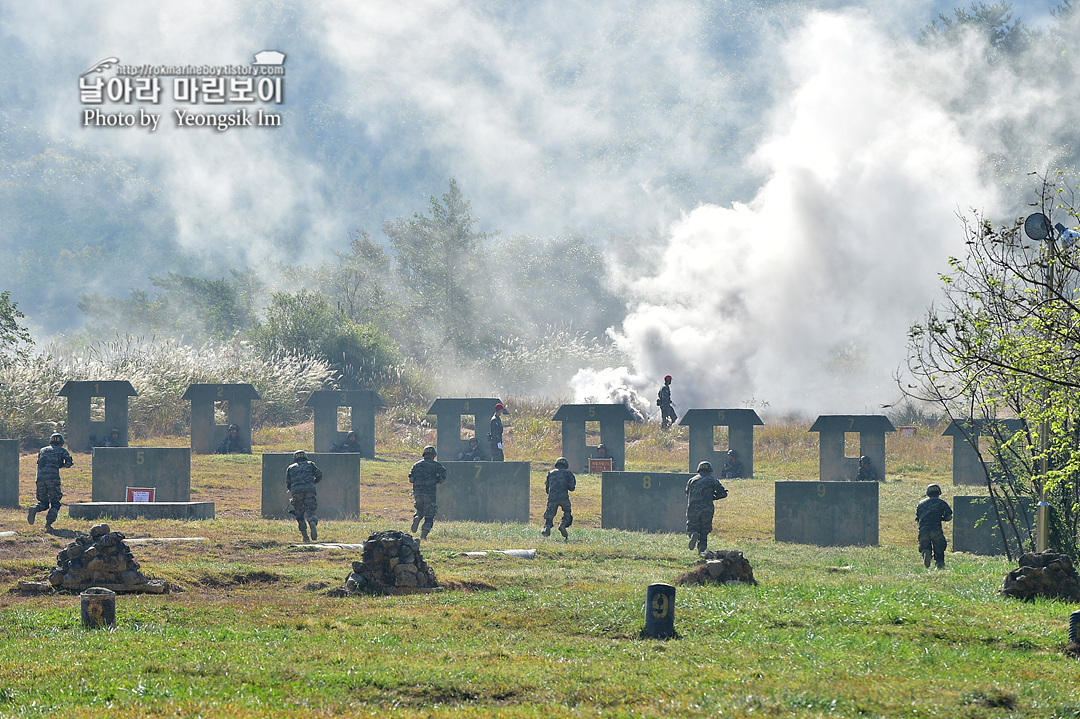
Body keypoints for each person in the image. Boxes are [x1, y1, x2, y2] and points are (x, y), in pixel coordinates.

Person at [28, 433, 74, 531]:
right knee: (55, 503)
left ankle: (35, 508)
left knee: (44, 502)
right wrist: (62, 465)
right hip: (53, 479)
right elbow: (69, 462)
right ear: (61, 443)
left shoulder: (43, 450)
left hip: (40, 479)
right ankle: (48, 524)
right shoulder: (62, 450)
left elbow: (40, 462)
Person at [685, 460, 728, 554]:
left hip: (693, 508)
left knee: (692, 527)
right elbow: (723, 493)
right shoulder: (713, 480)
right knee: (704, 531)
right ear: (710, 470)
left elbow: (687, 493)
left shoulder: (692, 480)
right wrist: (712, 497)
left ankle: (693, 534)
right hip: (707, 509)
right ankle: (701, 550)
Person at [409, 445, 446, 540]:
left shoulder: (416, 465)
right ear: (433, 455)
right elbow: (443, 476)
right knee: (430, 514)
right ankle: (423, 536)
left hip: (417, 493)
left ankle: (417, 517)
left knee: (420, 509)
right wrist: (435, 480)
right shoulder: (436, 465)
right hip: (429, 493)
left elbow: (411, 479)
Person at [286, 449, 322, 542]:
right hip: (310, 489)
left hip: (296, 492)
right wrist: (314, 482)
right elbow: (319, 475)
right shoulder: (310, 464)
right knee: (310, 509)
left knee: (299, 514)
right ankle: (312, 521)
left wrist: (292, 490)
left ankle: (305, 537)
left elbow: (288, 484)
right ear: (305, 457)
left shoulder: (290, 468)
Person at [916, 483, 953, 569]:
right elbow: (948, 514)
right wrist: (944, 518)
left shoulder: (921, 504)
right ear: (938, 493)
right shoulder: (941, 503)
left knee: (924, 546)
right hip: (935, 528)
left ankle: (926, 552)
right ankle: (939, 564)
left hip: (923, 529)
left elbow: (917, 517)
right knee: (940, 546)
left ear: (928, 493)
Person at [542, 457, 576, 540]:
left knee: (549, 514)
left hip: (552, 497)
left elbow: (547, 489)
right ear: (566, 465)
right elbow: (572, 487)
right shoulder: (568, 473)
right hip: (563, 497)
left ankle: (547, 528)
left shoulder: (550, 473)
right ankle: (563, 524)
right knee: (567, 511)